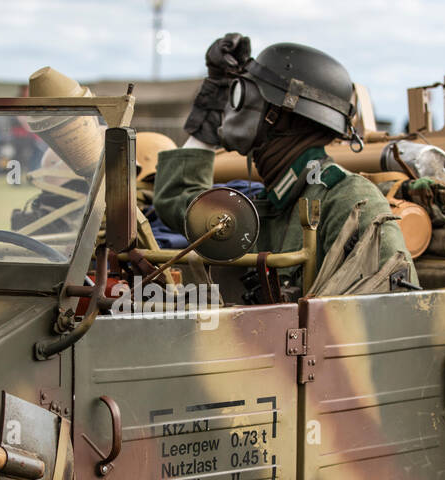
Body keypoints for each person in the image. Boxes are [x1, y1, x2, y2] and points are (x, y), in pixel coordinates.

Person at [153, 34, 413, 297]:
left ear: (282, 115)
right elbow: (180, 202)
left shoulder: (350, 201)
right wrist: (211, 109)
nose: (235, 108)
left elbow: (396, 307)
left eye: (248, 96)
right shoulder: (271, 200)